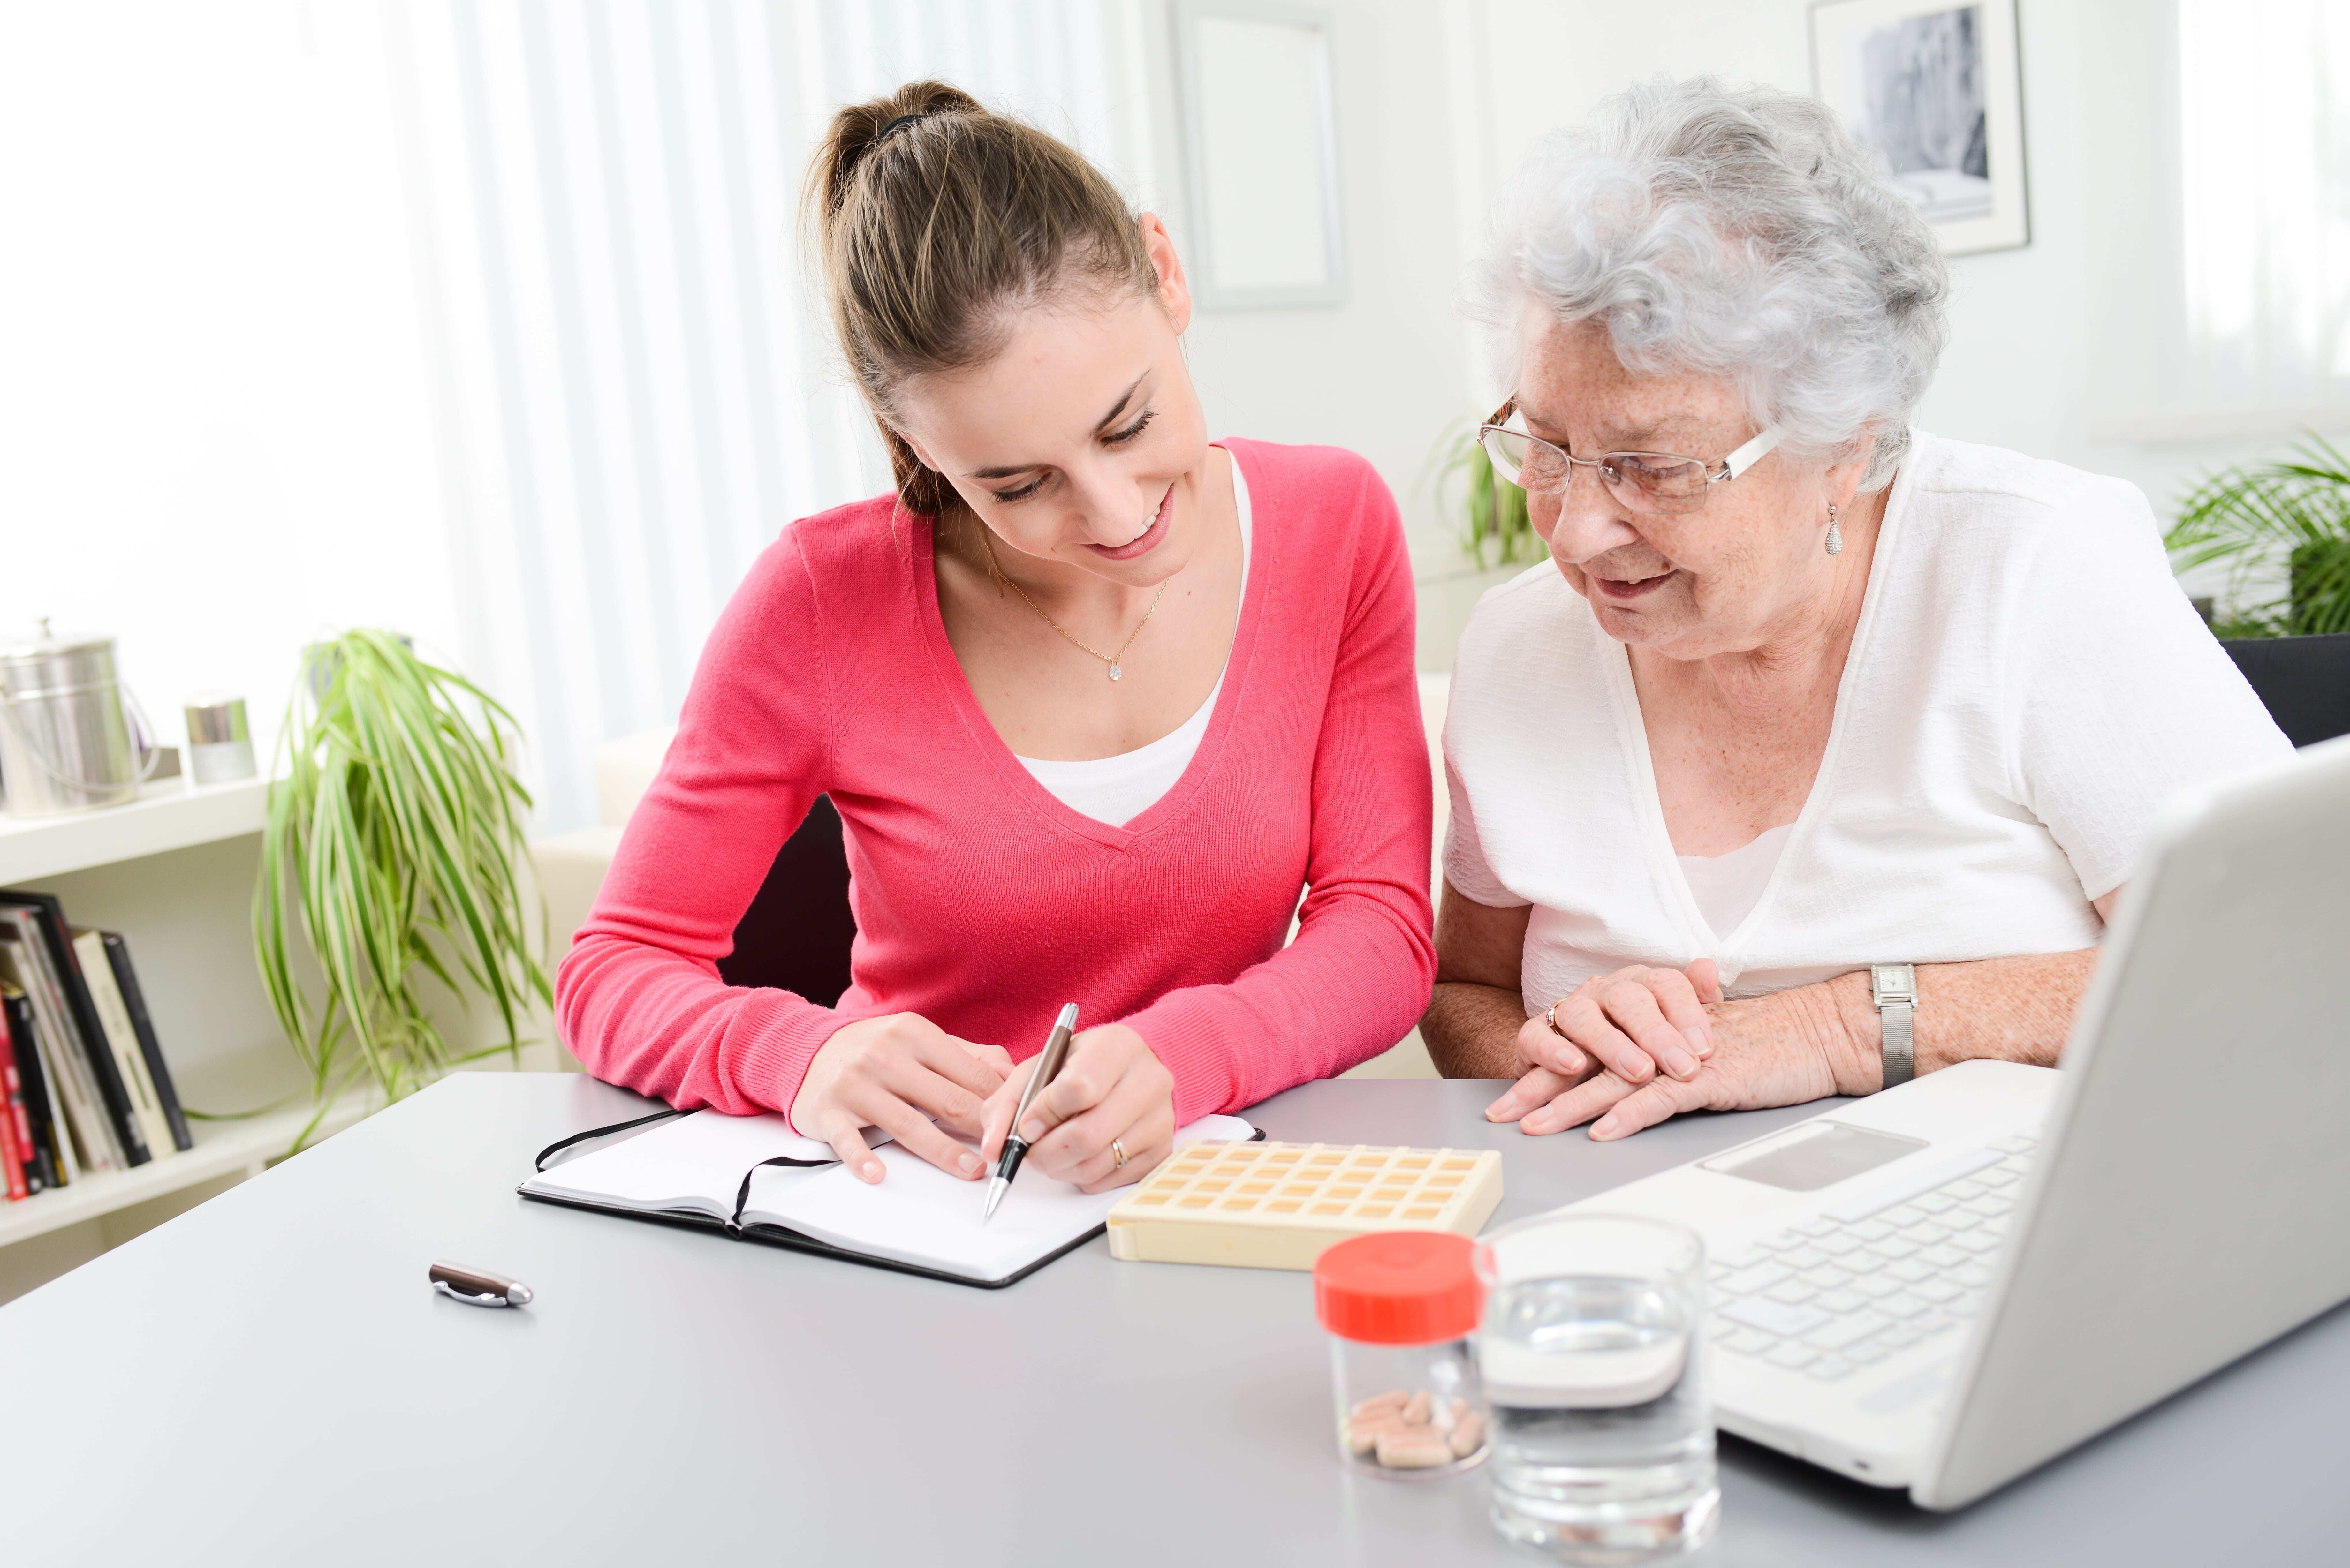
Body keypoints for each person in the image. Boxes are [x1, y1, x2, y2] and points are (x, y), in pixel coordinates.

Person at [557, 82, 1433, 1191]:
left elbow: (1384, 933)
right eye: (1017, 484)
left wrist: (1186, 1055)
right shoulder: (819, 601)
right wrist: (802, 1051)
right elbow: (614, 969)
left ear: (1165, 273)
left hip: (1223, 1194)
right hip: (924, 1219)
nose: (1117, 515)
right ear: (912, 439)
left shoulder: (1333, 525)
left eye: (1130, 423)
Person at [1421, 77, 2291, 1140]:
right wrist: (1556, 1044)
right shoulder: (1519, 650)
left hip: (2027, 1231)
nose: (1573, 532)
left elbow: (2288, 955)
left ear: (1843, 449)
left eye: (1652, 467)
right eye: (1549, 446)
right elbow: (1463, 992)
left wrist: (1839, 1028)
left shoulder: (2030, 568)